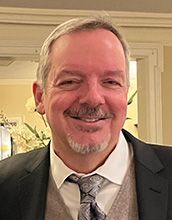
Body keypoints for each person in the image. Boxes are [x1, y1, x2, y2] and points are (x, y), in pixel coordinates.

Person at [0, 17, 172, 220]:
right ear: (40, 97)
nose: (93, 98)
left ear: (125, 94)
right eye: (70, 81)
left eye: (110, 81)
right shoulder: (4, 185)